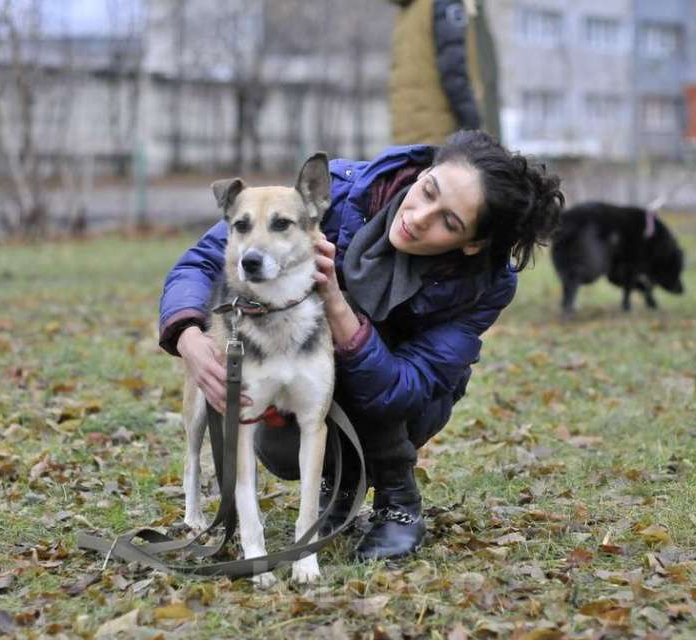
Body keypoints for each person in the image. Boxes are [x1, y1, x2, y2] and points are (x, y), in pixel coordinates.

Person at [159, 130, 562, 561]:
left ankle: (397, 498)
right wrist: (187, 335)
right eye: (428, 190)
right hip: (293, 362)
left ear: (474, 244)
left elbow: (406, 385)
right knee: (280, 451)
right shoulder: (336, 192)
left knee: (375, 360)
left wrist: (336, 304)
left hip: (404, 404)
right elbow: (203, 259)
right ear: (424, 171)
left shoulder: (486, 284)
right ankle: (341, 479)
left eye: (449, 222)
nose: (421, 216)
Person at [388, 0, 501, 144]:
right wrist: (473, 124)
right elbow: (453, 70)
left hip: (408, 131)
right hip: (443, 134)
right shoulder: (446, 3)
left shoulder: (408, 11)